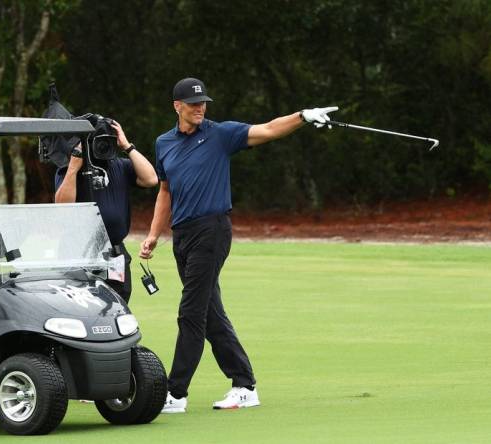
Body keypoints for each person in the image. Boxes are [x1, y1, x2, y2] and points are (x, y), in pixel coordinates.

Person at [139, 77, 337, 413]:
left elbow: (269, 130)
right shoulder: (164, 143)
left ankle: (175, 393)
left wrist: (301, 116)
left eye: (203, 103)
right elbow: (165, 191)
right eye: (193, 104)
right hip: (182, 236)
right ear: (177, 106)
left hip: (212, 231)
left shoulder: (221, 134)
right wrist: (154, 234)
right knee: (210, 314)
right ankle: (244, 385)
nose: (200, 108)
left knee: (191, 313)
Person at [55, 120, 158, 303]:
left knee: (117, 307)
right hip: (79, 254)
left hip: (115, 254)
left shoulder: (120, 165)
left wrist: (127, 146)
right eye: (98, 141)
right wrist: (73, 167)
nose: (102, 146)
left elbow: (151, 179)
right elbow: (63, 205)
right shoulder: (71, 168)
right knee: (80, 309)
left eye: (107, 141)